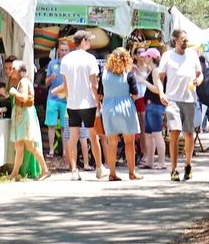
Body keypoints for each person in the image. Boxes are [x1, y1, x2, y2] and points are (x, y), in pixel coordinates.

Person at [53, 30, 104, 181]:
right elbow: (94, 84)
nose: (90, 43)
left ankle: (74, 170)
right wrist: (98, 102)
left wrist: (66, 96)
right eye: (88, 40)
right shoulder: (90, 58)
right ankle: (99, 168)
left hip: (72, 103)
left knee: (73, 137)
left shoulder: (66, 60)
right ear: (83, 41)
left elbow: (65, 85)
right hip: (88, 102)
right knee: (93, 137)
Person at [160, 29, 203, 182]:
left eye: (186, 40)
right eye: (183, 40)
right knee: (175, 132)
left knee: (189, 133)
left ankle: (188, 164)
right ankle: (173, 169)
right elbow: (160, 77)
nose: (186, 42)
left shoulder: (192, 55)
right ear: (175, 41)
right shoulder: (167, 56)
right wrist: (161, 92)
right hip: (172, 99)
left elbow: (200, 74)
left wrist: (199, 80)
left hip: (189, 99)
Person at [100, 48, 142, 181]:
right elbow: (135, 94)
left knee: (112, 143)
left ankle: (112, 173)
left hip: (108, 108)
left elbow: (100, 93)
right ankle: (132, 172)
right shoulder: (129, 74)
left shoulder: (104, 74)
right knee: (129, 142)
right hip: (126, 108)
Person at [8, 60, 50, 180]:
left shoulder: (24, 82)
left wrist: (14, 92)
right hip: (21, 117)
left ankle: (45, 170)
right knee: (19, 146)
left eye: (13, 69)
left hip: (24, 117)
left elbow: (24, 97)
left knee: (30, 145)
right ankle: (14, 173)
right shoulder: (23, 81)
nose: (11, 71)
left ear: (20, 71)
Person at [139, 48, 166, 169]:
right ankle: (150, 161)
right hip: (151, 105)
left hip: (155, 105)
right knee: (149, 135)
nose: (144, 58)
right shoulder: (153, 70)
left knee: (157, 134)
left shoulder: (155, 71)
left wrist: (143, 82)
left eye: (146, 56)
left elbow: (158, 89)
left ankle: (161, 162)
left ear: (151, 58)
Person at [44, 42, 69, 158]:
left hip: (66, 99)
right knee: (51, 125)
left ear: (68, 51)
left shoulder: (70, 65)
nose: (63, 52)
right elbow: (46, 83)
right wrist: (51, 78)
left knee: (65, 126)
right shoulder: (52, 63)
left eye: (66, 50)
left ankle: (65, 152)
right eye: (62, 50)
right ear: (58, 51)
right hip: (52, 98)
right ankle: (51, 150)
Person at [131, 46, 150, 165]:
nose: (142, 55)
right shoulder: (132, 67)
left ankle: (146, 153)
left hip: (145, 97)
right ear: (135, 55)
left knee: (144, 125)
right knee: (140, 126)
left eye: (144, 52)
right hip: (136, 98)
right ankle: (143, 152)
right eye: (139, 52)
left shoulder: (148, 67)